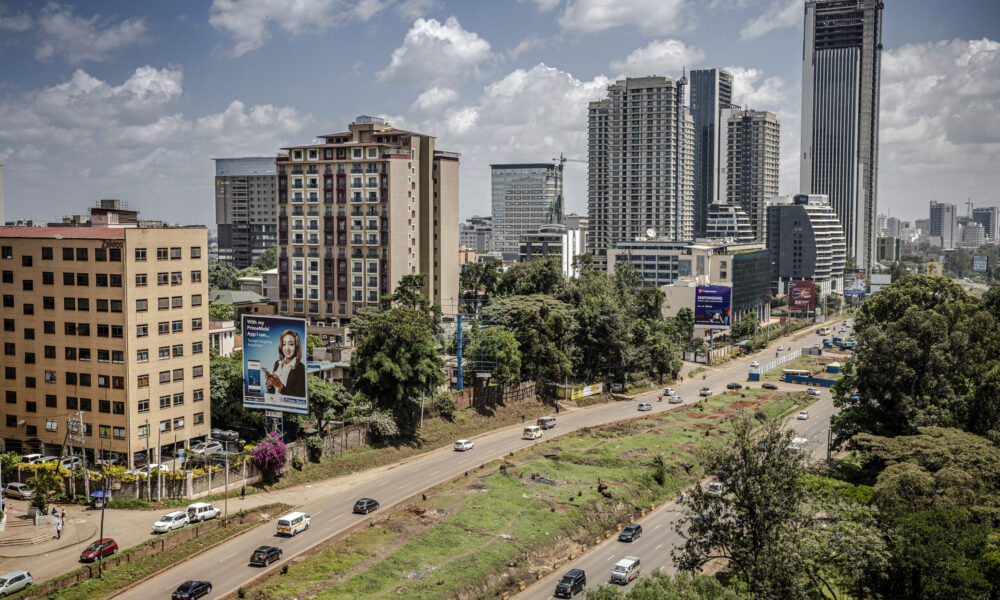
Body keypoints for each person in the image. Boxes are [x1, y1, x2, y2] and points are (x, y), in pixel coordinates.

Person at [265, 329, 307, 397]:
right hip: (274, 406)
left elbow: (300, 397)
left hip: (287, 407)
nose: (287, 348)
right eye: (284, 344)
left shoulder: (300, 368)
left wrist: (280, 386)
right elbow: (272, 393)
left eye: (291, 344)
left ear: (296, 346)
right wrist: (269, 385)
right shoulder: (277, 363)